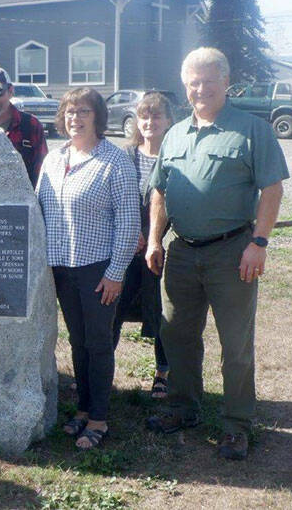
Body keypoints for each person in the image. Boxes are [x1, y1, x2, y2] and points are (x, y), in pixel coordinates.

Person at [145, 48, 289, 460]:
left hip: (232, 253)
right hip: (182, 253)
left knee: (235, 343)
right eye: (193, 82)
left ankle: (236, 424)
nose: (200, 89)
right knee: (177, 335)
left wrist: (258, 243)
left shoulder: (250, 130)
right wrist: (156, 239)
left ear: (226, 82)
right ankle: (183, 408)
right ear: (184, 85)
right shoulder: (174, 134)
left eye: (209, 80)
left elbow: (272, 188)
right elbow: (160, 190)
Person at [36, 88, 140, 450]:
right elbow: (39, 210)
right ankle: (82, 409)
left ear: (97, 117)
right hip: (62, 269)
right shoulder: (53, 158)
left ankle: (98, 418)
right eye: (69, 112)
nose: (74, 118)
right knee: (77, 341)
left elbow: (129, 223)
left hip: (98, 270)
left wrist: (116, 272)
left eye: (83, 112)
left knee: (98, 343)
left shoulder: (114, 161)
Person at [111, 93, 173, 399]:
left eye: (156, 116)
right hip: (125, 247)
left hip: (161, 247)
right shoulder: (126, 155)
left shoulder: (175, 155)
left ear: (169, 121)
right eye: (144, 116)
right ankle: (102, 368)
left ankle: (163, 371)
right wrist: (130, 234)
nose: (149, 123)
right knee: (113, 308)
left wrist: (152, 237)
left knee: (160, 310)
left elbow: (172, 204)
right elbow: (116, 200)